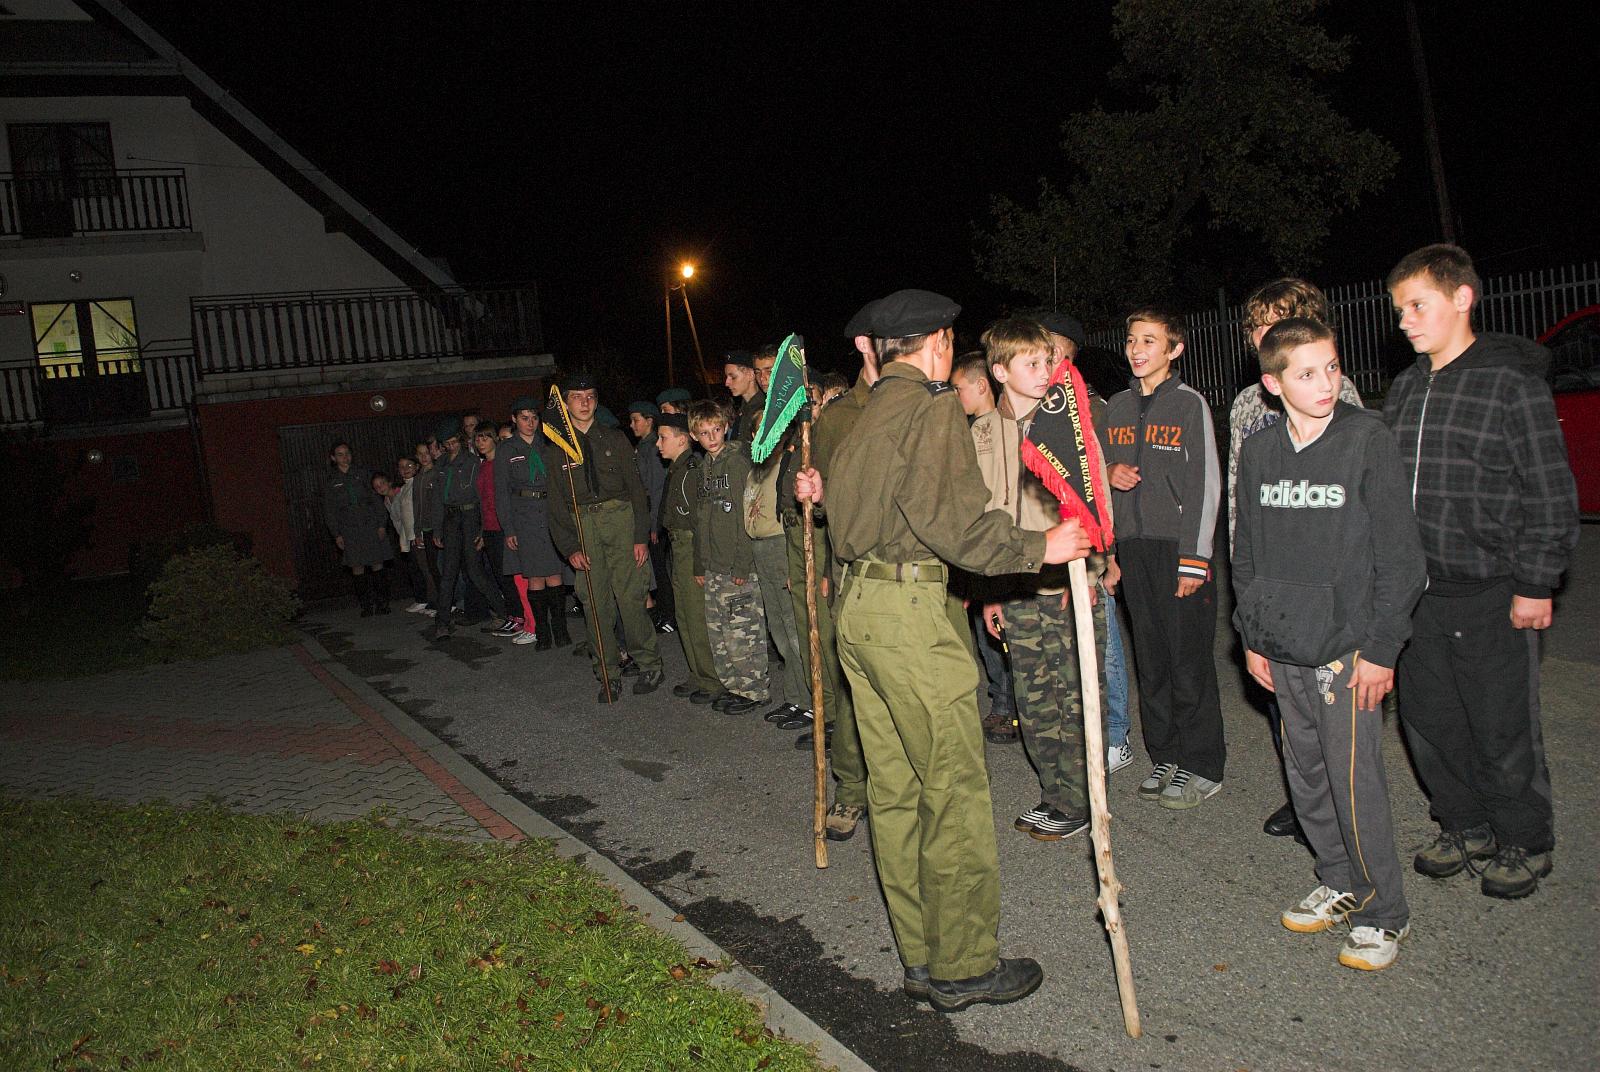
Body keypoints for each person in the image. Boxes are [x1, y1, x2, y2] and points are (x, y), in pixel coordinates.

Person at [795, 289, 1092, 1012]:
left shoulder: (862, 416)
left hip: (859, 611)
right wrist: (1041, 546)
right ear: (937, 344)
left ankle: (922, 956)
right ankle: (963, 965)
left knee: (896, 793)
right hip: (907, 617)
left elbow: (853, 513)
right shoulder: (931, 409)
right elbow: (953, 523)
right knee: (953, 788)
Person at [1384, 244, 1579, 899]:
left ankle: (1524, 837)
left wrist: (1535, 582)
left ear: (1462, 298)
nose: (1405, 321)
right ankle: (1462, 824)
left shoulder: (1509, 384)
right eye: (1400, 310)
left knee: (1501, 724)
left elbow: (1549, 489)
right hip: (1418, 595)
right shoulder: (1407, 388)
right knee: (1431, 721)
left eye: (1418, 306)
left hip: (1491, 590)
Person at [1233, 317, 1426, 971]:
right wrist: (1252, 635)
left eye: (1333, 368)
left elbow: (1401, 558)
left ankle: (1383, 911)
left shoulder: (1366, 438)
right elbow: (1246, 551)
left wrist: (1381, 648)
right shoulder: (1260, 450)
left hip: (1347, 647)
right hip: (1284, 640)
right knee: (1307, 773)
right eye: (1308, 373)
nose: (1327, 384)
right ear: (1273, 384)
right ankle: (1338, 878)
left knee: (1353, 781)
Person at [1227, 279, 1367, 844]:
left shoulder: (1336, 393)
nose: (1263, 333)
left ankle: (1343, 810)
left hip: (1323, 582)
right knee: (1285, 704)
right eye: (1257, 325)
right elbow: (1237, 494)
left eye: (1277, 321)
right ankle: (1303, 796)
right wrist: (1245, 583)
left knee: (1332, 712)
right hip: (1270, 579)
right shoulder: (1247, 403)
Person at [975, 317, 1109, 842]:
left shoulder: (1066, 422)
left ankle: (1082, 799)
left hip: (1067, 585)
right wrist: (990, 593)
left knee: (1076, 697)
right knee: (1034, 702)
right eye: (1031, 363)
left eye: (1046, 361)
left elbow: (1097, 501)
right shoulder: (984, 432)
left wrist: (1094, 572)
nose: (1043, 371)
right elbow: (984, 518)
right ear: (1000, 371)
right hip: (1017, 586)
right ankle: (1055, 792)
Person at [1103, 308, 1226, 809]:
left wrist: (1194, 558)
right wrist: (1109, 472)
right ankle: (1166, 754)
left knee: (1187, 659)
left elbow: (1205, 484)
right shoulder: (1116, 406)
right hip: (1132, 548)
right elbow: (1096, 477)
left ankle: (1203, 764)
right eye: (1132, 339)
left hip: (1177, 549)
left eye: (1149, 340)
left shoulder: (1189, 404)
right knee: (1151, 660)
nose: (1137, 349)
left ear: (1174, 349)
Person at [1039, 311, 1134, 774]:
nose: (1046, 360)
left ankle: (1116, 733)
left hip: (1092, 541)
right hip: (1051, 541)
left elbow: (1103, 484)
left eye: (1053, 351)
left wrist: (1110, 555)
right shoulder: (1035, 405)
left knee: (1105, 643)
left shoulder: (1089, 406)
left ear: (1069, 355)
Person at [540, 374, 664, 700]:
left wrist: (639, 536)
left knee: (631, 597)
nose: (585, 403)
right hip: (583, 525)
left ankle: (649, 663)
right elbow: (555, 505)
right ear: (565, 403)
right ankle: (608, 672)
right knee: (595, 603)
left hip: (619, 519)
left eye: (591, 396)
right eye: (577, 397)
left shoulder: (615, 438)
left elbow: (636, 490)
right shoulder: (556, 450)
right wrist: (569, 547)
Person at [949, 352, 1020, 745]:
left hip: (998, 542)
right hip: (978, 544)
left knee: (1001, 629)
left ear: (980, 385)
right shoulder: (972, 429)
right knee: (985, 627)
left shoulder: (1002, 426)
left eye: (959, 388)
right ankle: (1002, 701)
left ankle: (1009, 707)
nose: (956, 395)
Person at [689, 399, 768, 716]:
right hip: (714, 565)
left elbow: (745, 517)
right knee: (720, 634)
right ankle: (735, 686)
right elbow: (701, 519)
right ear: (694, 436)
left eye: (716, 430)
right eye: (704, 433)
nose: (711, 437)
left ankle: (753, 689)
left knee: (742, 632)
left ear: (725, 428)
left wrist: (742, 564)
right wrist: (700, 562)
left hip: (735, 566)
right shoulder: (705, 468)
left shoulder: (736, 463)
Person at [657, 412, 721, 702]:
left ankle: (712, 679)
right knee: (683, 614)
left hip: (690, 547)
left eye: (663, 438)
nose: (658, 444)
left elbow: (700, 523)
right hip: (678, 547)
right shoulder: (677, 469)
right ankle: (698, 672)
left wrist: (699, 564)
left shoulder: (692, 470)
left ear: (682, 440)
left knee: (697, 617)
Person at [495, 397, 568, 650]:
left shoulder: (547, 443)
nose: (530, 423)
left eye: (534, 418)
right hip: (524, 516)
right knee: (535, 576)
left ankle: (560, 630)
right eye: (524, 418)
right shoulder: (507, 449)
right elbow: (502, 492)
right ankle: (542, 632)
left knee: (555, 573)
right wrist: (509, 528)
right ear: (514, 419)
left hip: (549, 511)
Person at [427, 421, 511, 641]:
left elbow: (481, 496)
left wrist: (482, 529)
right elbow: (437, 500)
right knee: (448, 572)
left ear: (461, 440)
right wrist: (437, 529)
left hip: (470, 516)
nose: (452, 446)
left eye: (454, 442)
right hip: (450, 519)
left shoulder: (473, 462)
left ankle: (505, 612)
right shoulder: (441, 465)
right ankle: (442, 622)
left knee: (475, 570)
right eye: (448, 443)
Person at [472, 426, 531, 641]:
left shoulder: (502, 463)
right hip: (489, 527)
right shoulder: (483, 466)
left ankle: (520, 617)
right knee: (500, 575)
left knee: (510, 575)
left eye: (485, 438)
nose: (481, 442)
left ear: (495, 439)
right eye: (478, 439)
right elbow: (483, 501)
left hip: (503, 526)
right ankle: (513, 615)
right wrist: (482, 530)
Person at [323, 441, 393, 616]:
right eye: (340, 454)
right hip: (349, 529)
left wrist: (381, 524)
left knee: (376, 563)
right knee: (357, 565)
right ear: (333, 458)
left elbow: (376, 500)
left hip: (370, 525)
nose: (345, 457)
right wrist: (336, 534)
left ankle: (383, 602)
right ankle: (366, 605)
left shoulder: (363, 474)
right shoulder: (331, 481)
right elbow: (329, 511)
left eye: (347, 453)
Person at [627, 400, 674, 632]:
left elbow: (656, 489)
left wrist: (654, 524)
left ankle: (668, 616)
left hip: (654, 516)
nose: (632, 425)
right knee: (656, 568)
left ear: (649, 421)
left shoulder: (652, 448)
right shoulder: (643, 447)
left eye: (636, 420)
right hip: (648, 515)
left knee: (660, 569)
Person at [374, 465, 425, 613]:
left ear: (389, 482)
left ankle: (426, 599)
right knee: (413, 568)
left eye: (382, 483)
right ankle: (420, 598)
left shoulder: (400, 493)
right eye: (376, 487)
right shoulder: (386, 500)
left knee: (421, 568)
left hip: (413, 534)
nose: (380, 488)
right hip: (403, 537)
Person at [409, 441, 442, 617]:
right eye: (420, 454)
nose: (423, 457)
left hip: (438, 526)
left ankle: (446, 602)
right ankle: (438, 600)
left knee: (439, 566)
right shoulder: (418, 477)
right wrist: (417, 531)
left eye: (426, 453)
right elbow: (416, 506)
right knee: (431, 567)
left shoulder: (437, 473)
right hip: (426, 528)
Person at [723, 350, 765, 443]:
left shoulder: (763, 411)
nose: (727, 383)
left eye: (733, 377)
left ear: (751, 375)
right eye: (727, 377)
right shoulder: (743, 408)